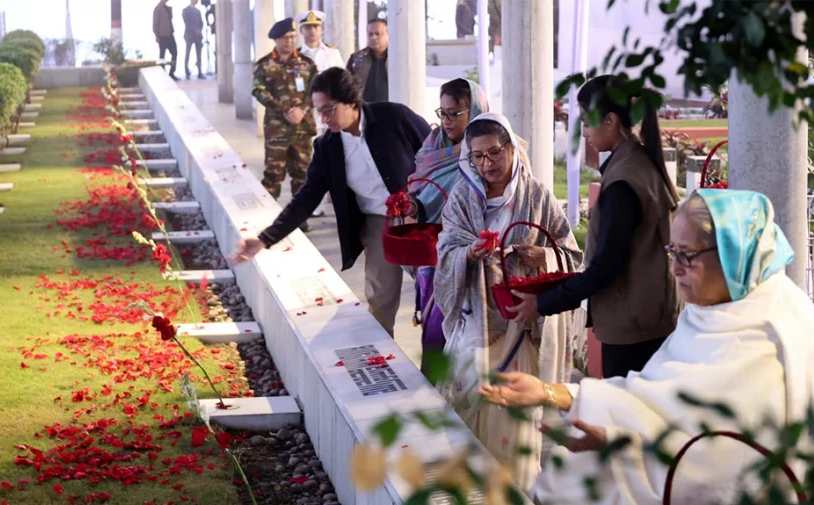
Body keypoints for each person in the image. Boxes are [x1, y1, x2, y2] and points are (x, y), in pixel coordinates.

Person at [480, 189, 814, 504]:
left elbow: (731, 460)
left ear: (733, 253)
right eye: (673, 253)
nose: (675, 270)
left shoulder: (770, 333)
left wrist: (624, 446)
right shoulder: (706, 314)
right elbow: (652, 397)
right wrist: (550, 393)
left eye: (688, 255)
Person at [434, 113, 583, 489]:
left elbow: (571, 255)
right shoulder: (463, 198)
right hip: (476, 321)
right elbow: (446, 250)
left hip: (521, 320)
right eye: (478, 156)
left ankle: (513, 491)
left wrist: (543, 256)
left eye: (494, 153)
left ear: (512, 149)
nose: (487, 164)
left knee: (512, 416)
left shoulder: (537, 196)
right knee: (469, 404)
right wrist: (469, 253)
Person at [230, 67, 431, 337]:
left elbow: (434, 152)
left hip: (424, 216)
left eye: (329, 109)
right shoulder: (328, 147)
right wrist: (265, 239)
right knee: (380, 299)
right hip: (379, 223)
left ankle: (439, 369)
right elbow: (306, 198)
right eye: (318, 111)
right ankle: (384, 360)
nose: (324, 119)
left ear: (351, 100)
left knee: (435, 293)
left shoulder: (393, 116)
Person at [508, 74, 680, 379]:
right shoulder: (641, 162)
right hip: (652, 316)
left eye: (587, 121)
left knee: (627, 417)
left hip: (634, 327)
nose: (584, 131)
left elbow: (606, 268)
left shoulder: (624, 183)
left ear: (611, 120)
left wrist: (544, 303)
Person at [403, 78, 488, 375]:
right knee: (433, 329)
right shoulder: (433, 145)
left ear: (474, 111)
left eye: (455, 113)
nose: (447, 121)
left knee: (463, 336)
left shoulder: (485, 152)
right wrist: (411, 206)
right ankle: (435, 394)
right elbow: (424, 194)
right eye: (442, 112)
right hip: (433, 254)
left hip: (473, 257)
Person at [251, 18, 317, 232]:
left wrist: (302, 109)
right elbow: (258, 90)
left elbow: (316, 90)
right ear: (276, 40)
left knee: (302, 176)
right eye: (285, 38)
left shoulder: (307, 64)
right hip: (277, 130)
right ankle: (268, 217)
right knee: (273, 175)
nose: (289, 41)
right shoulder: (264, 65)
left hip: (302, 128)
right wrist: (283, 109)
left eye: (292, 37)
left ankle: (300, 218)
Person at [296, 9, 345, 218]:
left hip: (331, 113)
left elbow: (342, 81)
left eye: (315, 26)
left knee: (335, 156)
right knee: (310, 158)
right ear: (302, 30)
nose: (312, 31)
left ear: (321, 29)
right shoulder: (297, 56)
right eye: (307, 27)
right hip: (308, 114)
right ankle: (315, 204)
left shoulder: (332, 53)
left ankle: (338, 201)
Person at [346, 18, 389, 103]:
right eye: (370, 34)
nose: (373, 37)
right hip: (364, 109)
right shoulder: (356, 59)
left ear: (388, 35)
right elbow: (347, 86)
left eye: (378, 34)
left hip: (393, 108)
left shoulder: (398, 58)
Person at [153, 0, 178, 79]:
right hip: (162, 36)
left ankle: (172, 72)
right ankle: (162, 73)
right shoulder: (158, 8)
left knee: (174, 53)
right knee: (162, 56)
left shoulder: (167, 8)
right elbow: (155, 23)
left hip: (170, 34)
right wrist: (156, 35)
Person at [182, 0, 205, 79]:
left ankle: (200, 72)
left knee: (199, 54)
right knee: (187, 53)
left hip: (198, 36)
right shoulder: (185, 10)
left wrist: (199, 30)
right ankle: (186, 71)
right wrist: (194, 30)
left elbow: (201, 22)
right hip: (189, 35)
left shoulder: (198, 11)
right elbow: (187, 22)